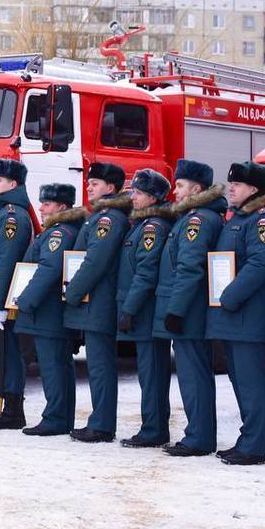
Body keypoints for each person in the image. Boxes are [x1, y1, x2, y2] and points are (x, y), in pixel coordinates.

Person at [208, 161, 265, 466]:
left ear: (253, 189)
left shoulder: (264, 220)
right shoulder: (238, 218)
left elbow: (261, 265)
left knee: (251, 382)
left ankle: (253, 447)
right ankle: (246, 440)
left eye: (237, 184)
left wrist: (228, 297)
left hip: (247, 314)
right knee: (240, 380)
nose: (231, 189)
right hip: (233, 315)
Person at [154, 158, 226, 457]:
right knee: (193, 374)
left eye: (180, 185)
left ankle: (199, 438)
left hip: (189, 311)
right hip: (189, 308)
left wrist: (176, 310)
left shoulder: (197, 220)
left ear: (196, 188)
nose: (175, 190)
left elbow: (190, 268)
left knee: (193, 375)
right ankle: (199, 435)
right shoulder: (194, 217)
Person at [64, 162, 132, 443]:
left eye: (95, 183)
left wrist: (73, 291)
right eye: (89, 182)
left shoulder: (108, 219)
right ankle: (99, 420)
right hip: (94, 301)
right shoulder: (101, 216)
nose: (89, 186)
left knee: (101, 365)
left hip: (99, 302)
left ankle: (103, 424)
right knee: (97, 365)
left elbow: (95, 261)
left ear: (111, 188)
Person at [15, 183, 84, 436]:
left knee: (53, 365)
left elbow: (48, 269)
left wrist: (25, 300)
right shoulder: (62, 230)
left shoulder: (59, 233)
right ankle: (61, 416)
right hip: (52, 310)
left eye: (47, 204)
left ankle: (55, 417)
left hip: (48, 311)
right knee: (59, 364)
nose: (41, 208)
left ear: (62, 207)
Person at [116, 168, 175, 448]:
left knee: (152, 374)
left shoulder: (153, 227)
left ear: (153, 198)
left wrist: (129, 309)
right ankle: (152, 425)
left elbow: (145, 272)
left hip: (146, 312)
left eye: (138, 193)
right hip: (142, 310)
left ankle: (154, 429)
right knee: (148, 373)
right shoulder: (142, 223)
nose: (133, 197)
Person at [0, 157, 34, 430]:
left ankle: (13, 409)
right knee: (1, 352)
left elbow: (6, 263)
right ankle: (9, 406)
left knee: (8, 353)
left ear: (13, 184)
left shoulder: (12, 217)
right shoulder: (0, 212)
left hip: (5, 297)